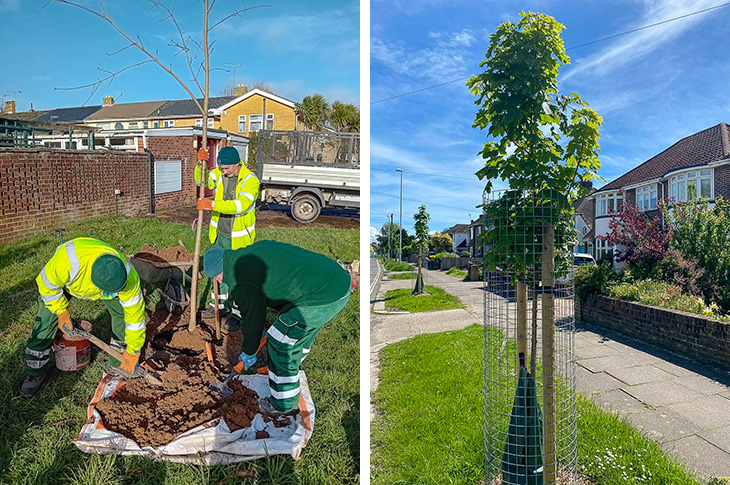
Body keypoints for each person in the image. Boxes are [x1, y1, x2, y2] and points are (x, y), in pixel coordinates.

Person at [203, 240, 352, 415]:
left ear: (219, 274)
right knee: (294, 338)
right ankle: (289, 373)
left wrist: (249, 350)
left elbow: (253, 318)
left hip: (322, 297)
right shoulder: (253, 250)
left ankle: (283, 405)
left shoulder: (240, 281)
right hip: (335, 281)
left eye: (217, 278)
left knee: (279, 343)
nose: (219, 281)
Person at [21, 238, 146, 397]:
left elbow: (135, 319)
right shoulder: (65, 263)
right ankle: (36, 371)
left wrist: (134, 349)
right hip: (72, 280)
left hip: (108, 280)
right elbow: (47, 287)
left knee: (122, 315)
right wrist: (61, 312)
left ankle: (118, 366)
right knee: (45, 320)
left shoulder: (129, 278)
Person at [195, 146, 260, 326]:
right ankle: (218, 305)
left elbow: (241, 206)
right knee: (217, 273)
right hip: (219, 235)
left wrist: (212, 205)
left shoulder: (250, 180)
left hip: (239, 239)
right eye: (221, 168)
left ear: (237, 164)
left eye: (226, 168)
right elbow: (203, 181)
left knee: (238, 276)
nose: (223, 171)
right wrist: (200, 164)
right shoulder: (220, 173)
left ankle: (238, 314)